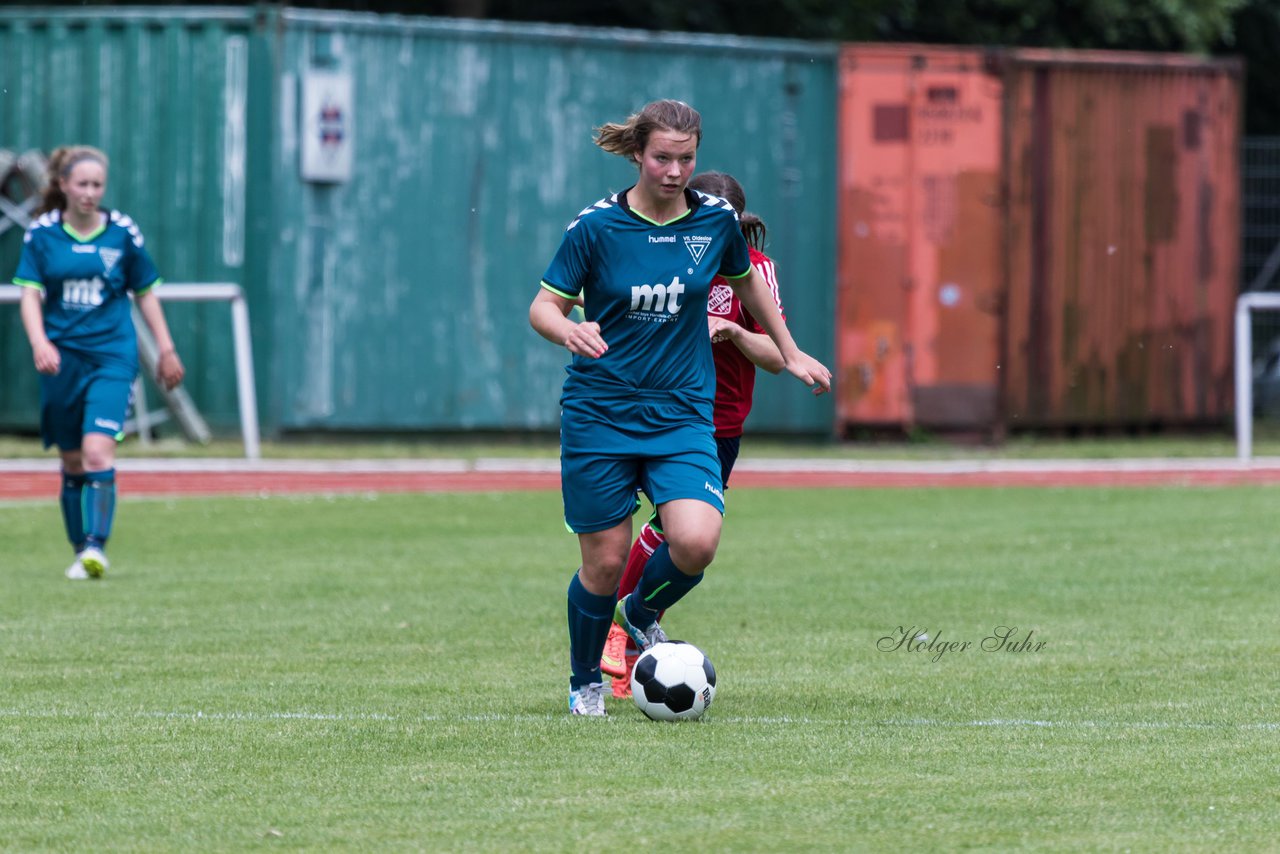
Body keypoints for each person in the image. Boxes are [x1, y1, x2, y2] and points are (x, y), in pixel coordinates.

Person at [528, 100, 830, 717]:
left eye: (685, 159)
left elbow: (747, 282)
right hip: (601, 412)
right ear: (638, 153)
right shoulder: (596, 227)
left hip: (681, 412)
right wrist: (567, 331)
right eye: (662, 157)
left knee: (695, 542)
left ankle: (639, 616)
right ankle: (585, 680)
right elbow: (542, 306)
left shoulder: (716, 220)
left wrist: (791, 353)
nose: (674, 170)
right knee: (606, 559)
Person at [599, 170, 785, 698]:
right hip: (641, 411)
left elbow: (776, 357)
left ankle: (629, 623)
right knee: (622, 533)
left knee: (679, 535)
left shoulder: (755, 272)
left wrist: (734, 331)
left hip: (715, 423)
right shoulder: (659, 255)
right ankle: (620, 630)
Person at [13, 145, 185, 580]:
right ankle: (80, 550)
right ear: (65, 186)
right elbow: (30, 294)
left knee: (95, 452)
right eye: (82, 184)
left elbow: (145, 292)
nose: (90, 193)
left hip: (111, 354)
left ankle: (96, 546)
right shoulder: (42, 234)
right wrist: (40, 342)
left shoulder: (122, 233)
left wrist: (166, 348)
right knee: (71, 461)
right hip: (61, 359)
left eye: (97, 185)